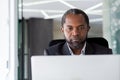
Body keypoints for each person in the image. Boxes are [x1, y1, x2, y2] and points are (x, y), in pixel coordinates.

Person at [44, 8, 113, 55]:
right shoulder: (51, 54)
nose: (75, 33)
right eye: (70, 28)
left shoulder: (105, 53)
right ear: (62, 30)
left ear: (88, 29)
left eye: (81, 28)